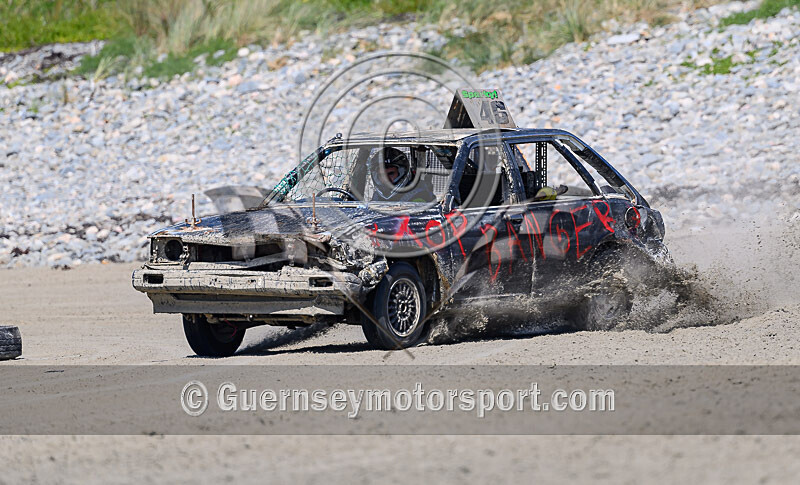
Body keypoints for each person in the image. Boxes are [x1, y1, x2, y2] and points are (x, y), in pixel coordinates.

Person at [368, 147, 434, 203]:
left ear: (402, 173)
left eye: (391, 173)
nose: (386, 179)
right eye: (382, 175)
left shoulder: (420, 196)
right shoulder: (377, 196)